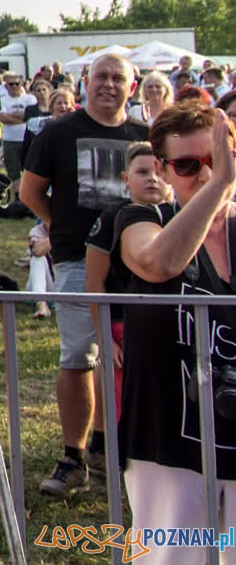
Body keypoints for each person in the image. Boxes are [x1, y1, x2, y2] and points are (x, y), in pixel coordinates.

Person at [21, 52, 146, 495]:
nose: (109, 84)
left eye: (119, 78)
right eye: (101, 76)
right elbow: (30, 190)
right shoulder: (59, 131)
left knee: (134, 354)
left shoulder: (144, 136)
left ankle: (114, 443)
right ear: (85, 81)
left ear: (133, 86)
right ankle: (74, 458)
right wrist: (61, 226)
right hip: (76, 257)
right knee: (79, 353)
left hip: (139, 261)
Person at [115, 102, 236, 544]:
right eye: (188, 165)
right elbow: (160, 262)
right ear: (163, 170)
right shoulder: (142, 219)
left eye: (215, 160)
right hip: (169, 438)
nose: (204, 175)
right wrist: (222, 183)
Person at [84, 141, 164, 423]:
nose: (153, 178)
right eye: (142, 172)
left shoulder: (180, 216)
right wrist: (105, 338)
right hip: (124, 326)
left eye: (159, 170)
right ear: (125, 179)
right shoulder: (112, 217)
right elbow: (94, 282)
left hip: (169, 326)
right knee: (127, 406)